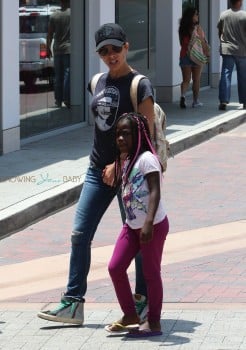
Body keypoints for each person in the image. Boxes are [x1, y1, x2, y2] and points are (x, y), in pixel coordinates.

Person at [37, 23, 156, 325]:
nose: (110, 55)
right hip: (96, 171)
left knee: (139, 236)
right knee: (80, 233)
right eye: (104, 51)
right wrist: (105, 164)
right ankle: (73, 302)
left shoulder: (140, 85)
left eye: (116, 49)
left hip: (129, 176)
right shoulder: (96, 82)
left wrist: (121, 164)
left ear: (126, 46)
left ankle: (141, 301)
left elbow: (148, 138)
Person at [105, 112, 169, 337]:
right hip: (131, 227)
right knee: (115, 267)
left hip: (153, 226)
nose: (120, 138)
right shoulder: (125, 160)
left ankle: (154, 322)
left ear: (139, 135)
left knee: (151, 273)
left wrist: (149, 223)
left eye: (126, 134)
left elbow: (154, 191)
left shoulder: (147, 159)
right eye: (118, 134)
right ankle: (130, 314)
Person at [217, 0, 246, 111]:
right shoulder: (244, 15)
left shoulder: (224, 15)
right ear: (239, 2)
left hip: (227, 50)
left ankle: (223, 101)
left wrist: (223, 43)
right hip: (242, 50)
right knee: (243, 76)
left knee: (226, 74)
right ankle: (245, 101)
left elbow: (220, 32)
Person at [178, 7, 207, 108]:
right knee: (196, 79)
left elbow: (182, 43)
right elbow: (202, 42)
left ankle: (183, 96)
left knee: (186, 80)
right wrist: (206, 52)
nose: (197, 16)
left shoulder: (182, 28)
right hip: (197, 56)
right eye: (196, 14)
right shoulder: (197, 28)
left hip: (184, 55)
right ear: (191, 16)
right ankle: (195, 101)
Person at [47, 0, 70, 108]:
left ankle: (58, 100)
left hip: (57, 49)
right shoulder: (73, 15)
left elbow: (50, 34)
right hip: (68, 50)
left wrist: (48, 48)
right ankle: (67, 99)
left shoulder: (54, 16)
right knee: (67, 75)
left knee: (58, 76)